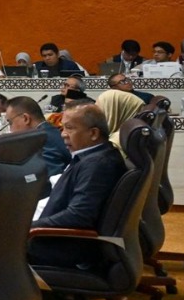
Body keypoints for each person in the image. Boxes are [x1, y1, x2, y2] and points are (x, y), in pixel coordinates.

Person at [28, 104, 127, 271]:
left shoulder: (97, 165)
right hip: (54, 237)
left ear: (93, 133)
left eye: (69, 128)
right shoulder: (93, 156)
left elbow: (79, 216)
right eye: (62, 128)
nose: (63, 134)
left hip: (63, 247)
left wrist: (29, 226)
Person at [4, 96, 70, 176]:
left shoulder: (42, 140)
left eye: (10, 123)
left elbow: (48, 179)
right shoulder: (49, 130)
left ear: (25, 118)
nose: (11, 130)